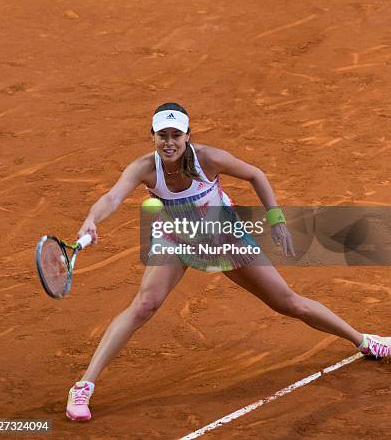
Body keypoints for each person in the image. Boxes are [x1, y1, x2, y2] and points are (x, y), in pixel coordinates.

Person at [66, 103, 391, 421]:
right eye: (162, 135)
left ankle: (365, 341)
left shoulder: (209, 159)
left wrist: (276, 221)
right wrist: (92, 220)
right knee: (144, 305)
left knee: (290, 304)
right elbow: (112, 197)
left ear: (188, 136)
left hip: (224, 238)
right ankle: (83, 386)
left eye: (175, 135)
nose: (169, 143)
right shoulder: (144, 168)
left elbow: (255, 174)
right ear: (152, 136)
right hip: (176, 238)